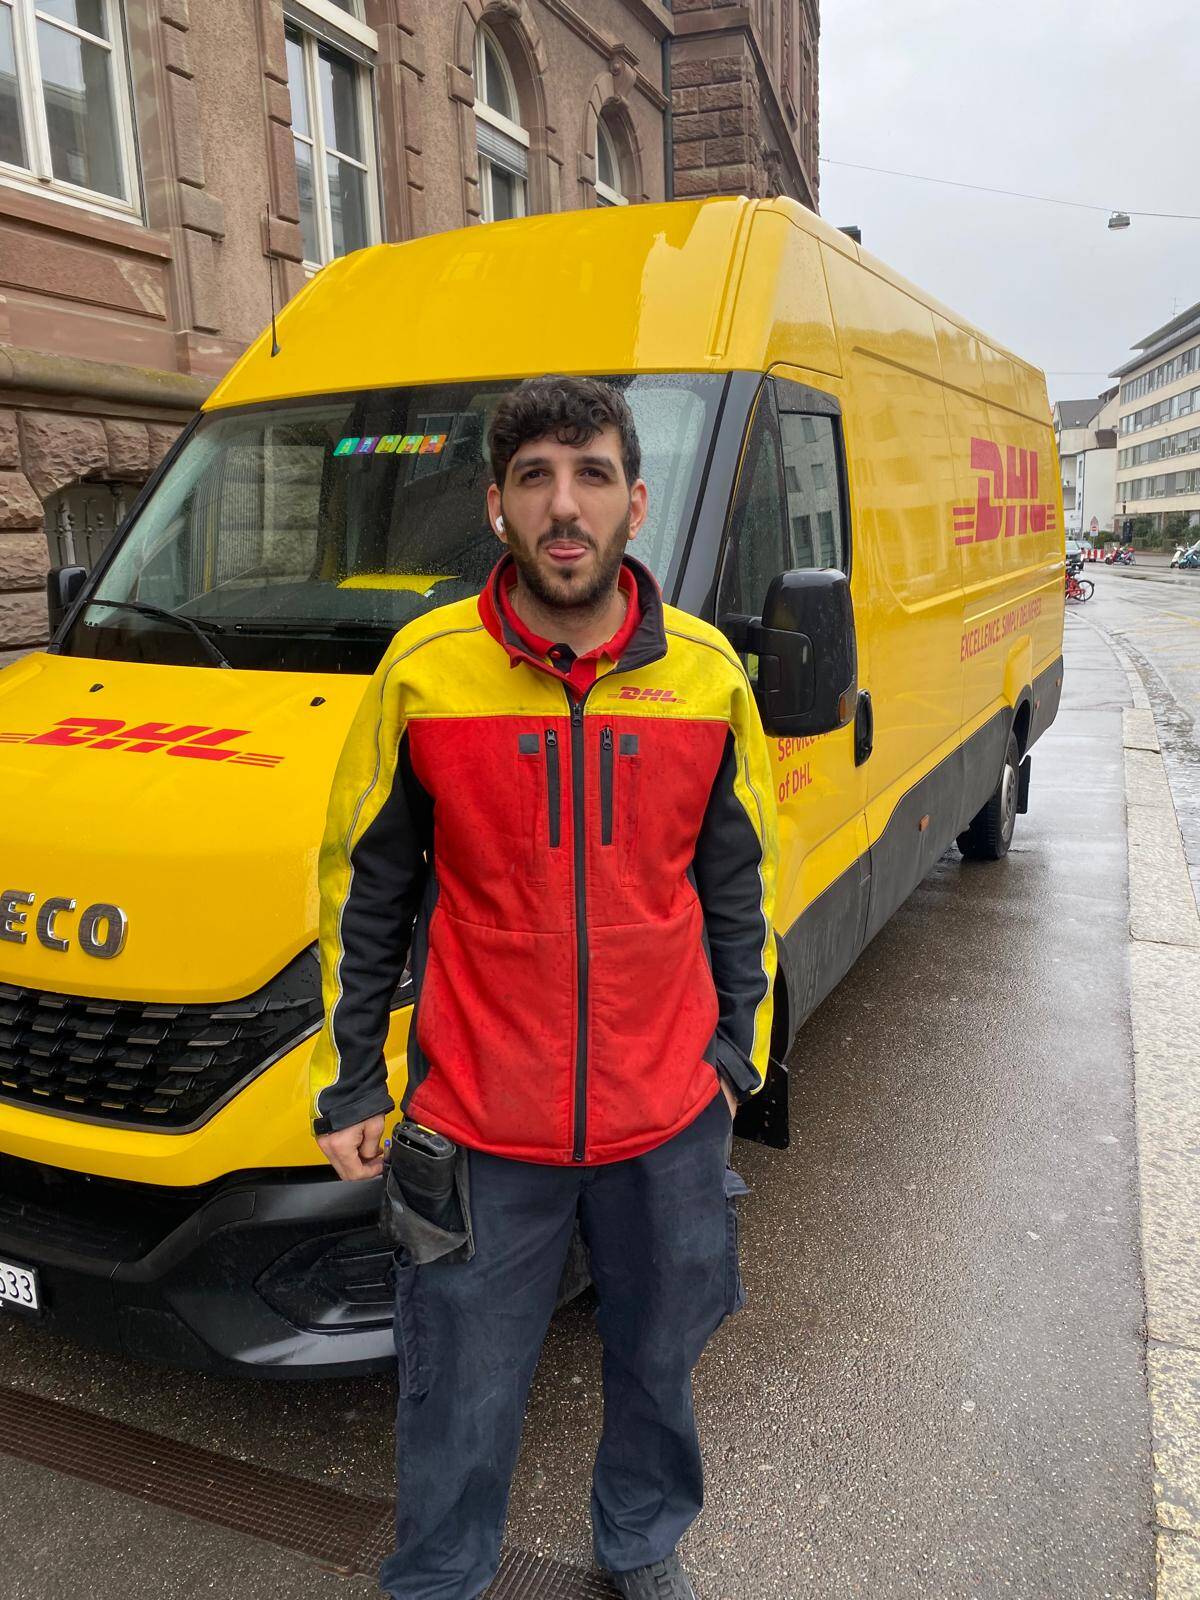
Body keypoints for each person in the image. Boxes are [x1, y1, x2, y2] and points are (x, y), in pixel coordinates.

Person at [310, 375, 779, 1600]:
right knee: (457, 1384)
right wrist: (350, 1078)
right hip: (479, 1122)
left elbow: (743, 885)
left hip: (664, 1118)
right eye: (535, 478)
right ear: (497, 506)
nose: (564, 506)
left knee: (660, 1360)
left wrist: (736, 1056)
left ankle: (642, 1538)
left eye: (591, 475)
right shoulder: (425, 672)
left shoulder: (707, 676)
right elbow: (365, 889)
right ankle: (441, 1573)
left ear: (636, 501)